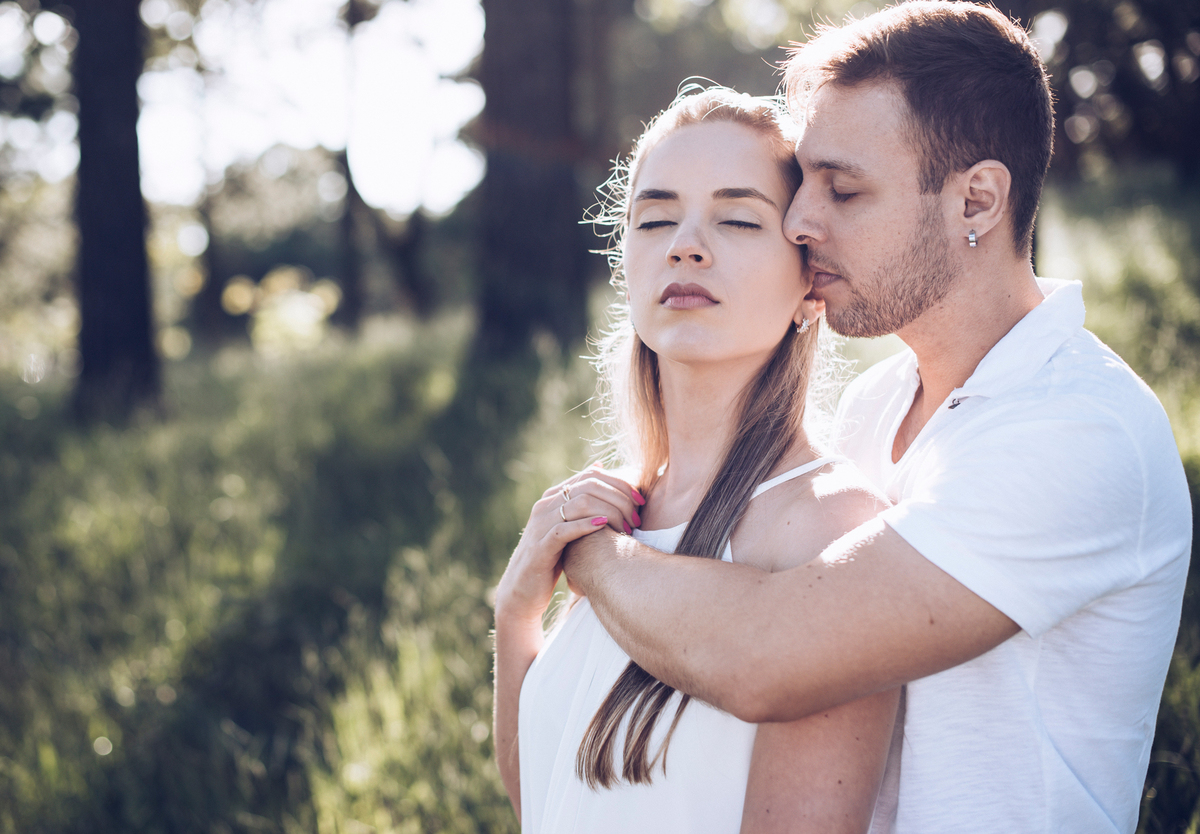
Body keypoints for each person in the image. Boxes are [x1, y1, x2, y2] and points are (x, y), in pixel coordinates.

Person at [560, 4, 1193, 834]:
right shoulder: (875, 405)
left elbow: (765, 657)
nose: (798, 222)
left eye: (843, 190)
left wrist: (591, 553)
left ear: (976, 202)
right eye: (805, 183)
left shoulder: (1080, 429)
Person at [492, 87, 901, 833]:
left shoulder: (829, 528)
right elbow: (548, 801)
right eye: (655, 219)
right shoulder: (610, 517)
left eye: (738, 218)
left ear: (810, 285)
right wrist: (518, 609)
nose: (686, 243)